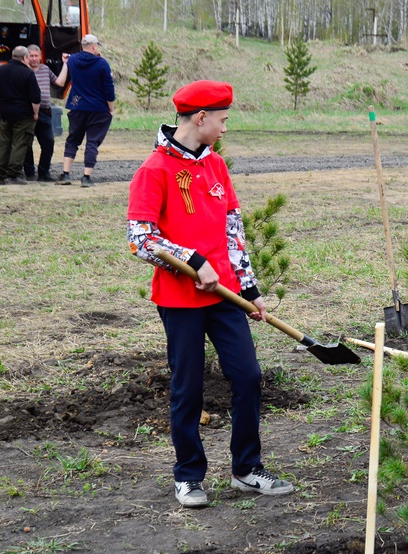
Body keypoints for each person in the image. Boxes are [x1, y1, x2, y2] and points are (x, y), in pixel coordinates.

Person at [127, 80, 293, 508]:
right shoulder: (154, 170)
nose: (224, 128)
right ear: (199, 118)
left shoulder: (217, 166)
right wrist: (193, 259)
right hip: (179, 301)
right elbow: (140, 239)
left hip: (226, 297)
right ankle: (188, 476)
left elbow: (233, 233)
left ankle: (247, 469)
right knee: (189, 387)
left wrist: (250, 288)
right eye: (221, 120)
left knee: (248, 377)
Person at [58, 34, 114, 187]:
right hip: (98, 108)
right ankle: (86, 177)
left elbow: (68, 68)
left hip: (77, 106)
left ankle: (66, 174)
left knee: (73, 139)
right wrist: (111, 108)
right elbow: (109, 89)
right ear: (94, 47)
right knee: (92, 141)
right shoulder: (102, 64)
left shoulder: (73, 60)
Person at [0, 46, 40, 185]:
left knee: (4, 143)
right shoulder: (27, 73)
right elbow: (35, 98)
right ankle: (13, 175)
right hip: (24, 114)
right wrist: (35, 113)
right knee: (19, 143)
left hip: (6, 113)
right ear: (25, 58)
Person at [23, 45, 68, 182]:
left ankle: (44, 173)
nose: (34, 59)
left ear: (41, 56)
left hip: (45, 112)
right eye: (31, 56)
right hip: (27, 112)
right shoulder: (23, 71)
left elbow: (60, 82)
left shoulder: (45, 69)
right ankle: (29, 173)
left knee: (48, 142)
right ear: (26, 57)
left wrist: (66, 65)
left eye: (37, 56)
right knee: (26, 144)